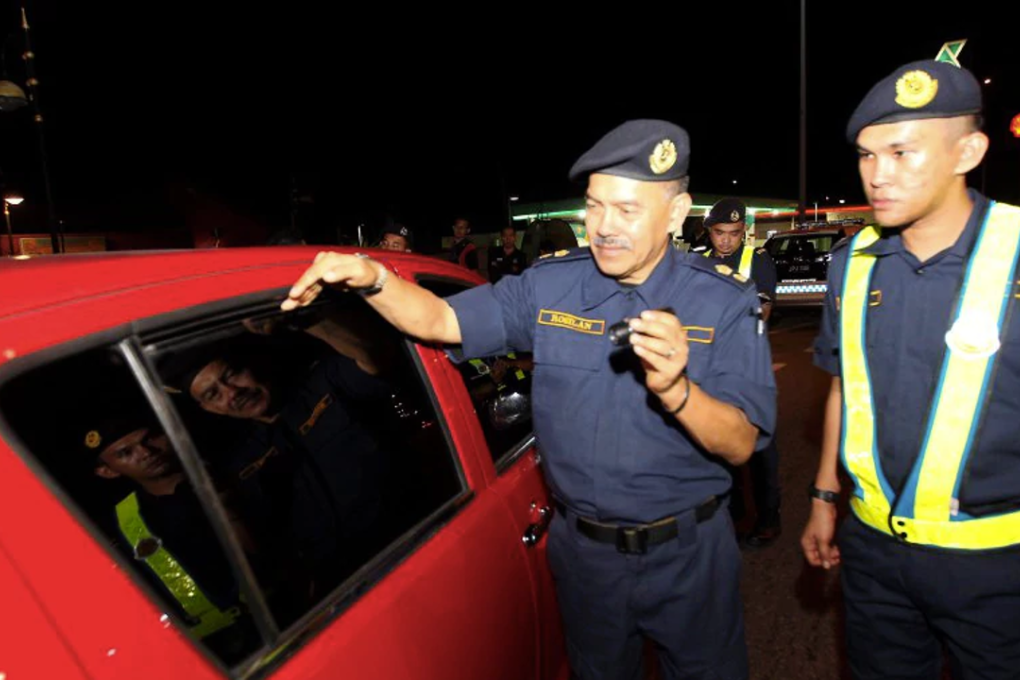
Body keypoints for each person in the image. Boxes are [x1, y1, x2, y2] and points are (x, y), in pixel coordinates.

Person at [280, 119, 776, 680]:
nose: (604, 228)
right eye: (594, 207)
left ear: (676, 211)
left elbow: (741, 443)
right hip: (586, 557)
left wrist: (678, 391)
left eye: (627, 211)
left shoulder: (723, 302)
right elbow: (441, 319)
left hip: (690, 555)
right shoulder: (550, 286)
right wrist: (373, 278)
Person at [801, 60, 1020, 679]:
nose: (878, 176)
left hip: (998, 559)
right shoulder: (854, 264)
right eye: (868, 156)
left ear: (968, 151)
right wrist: (824, 495)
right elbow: (844, 382)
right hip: (873, 554)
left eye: (901, 153)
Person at [85, 410, 254, 661]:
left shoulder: (230, 467)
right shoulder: (123, 523)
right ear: (108, 472)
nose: (146, 453)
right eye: (125, 453)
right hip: (214, 649)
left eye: (150, 438)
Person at [702, 198, 782, 547]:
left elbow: (762, 311)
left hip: (750, 372)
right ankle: (731, 516)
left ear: (744, 232)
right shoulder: (697, 263)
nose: (726, 241)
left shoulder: (757, 260)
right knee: (720, 448)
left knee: (760, 448)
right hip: (711, 372)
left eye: (734, 234)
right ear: (709, 232)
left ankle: (768, 519)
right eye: (720, 233)